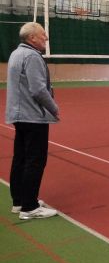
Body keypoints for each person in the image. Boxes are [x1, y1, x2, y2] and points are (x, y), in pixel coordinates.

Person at [6, 22, 59, 219]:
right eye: (43, 34)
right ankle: (30, 207)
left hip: (19, 115)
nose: (46, 38)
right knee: (35, 160)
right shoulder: (32, 56)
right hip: (32, 116)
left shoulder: (16, 53)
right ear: (32, 38)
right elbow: (38, 89)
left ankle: (19, 201)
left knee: (20, 158)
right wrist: (53, 108)